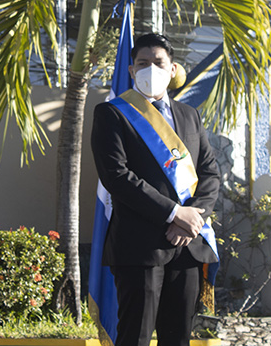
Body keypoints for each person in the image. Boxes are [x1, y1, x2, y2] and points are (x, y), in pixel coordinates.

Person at [91, 33, 221, 346]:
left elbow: (210, 174)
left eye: (158, 62)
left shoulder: (190, 116)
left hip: (187, 247)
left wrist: (192, 221)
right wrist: (173, 214)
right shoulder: (112, 113)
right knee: (134, 337)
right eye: (143, 63)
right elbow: (116, 176)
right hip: (139, 246)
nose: (151, 69)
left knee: (177, 339)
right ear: (132, 70)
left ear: (173, 68)